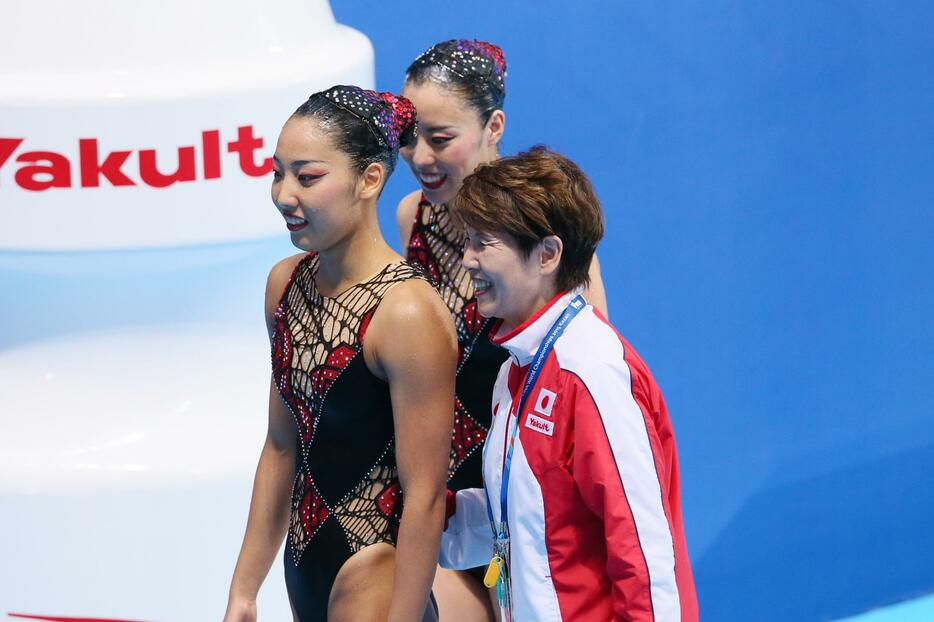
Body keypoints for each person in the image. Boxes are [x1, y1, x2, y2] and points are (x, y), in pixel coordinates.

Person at [223, 86, 457, 622]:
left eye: (307, 177)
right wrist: (243, 591)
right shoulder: (284, 286)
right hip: (303, 562)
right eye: (277, 172)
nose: (284, 194)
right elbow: (282, 447)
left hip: (376, 567)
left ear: (370, 180)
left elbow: (424, 495)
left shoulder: (406, 313)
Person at [439, 146, 699, 621]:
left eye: (483, 243)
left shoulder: (589, 372)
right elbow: (527, 522)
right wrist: (424, 514)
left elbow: (643, 552)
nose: (467, 259)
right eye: (467, 241)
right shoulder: (516, 369)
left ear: (547, 254)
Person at [396, 39, 607, 620]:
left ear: (495, 126)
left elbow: (588, 393)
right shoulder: (411, 216)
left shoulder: (551, 241)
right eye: (410, 137)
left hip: (531, 500)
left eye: (441, 138)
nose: (420, 156)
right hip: (446, 500)